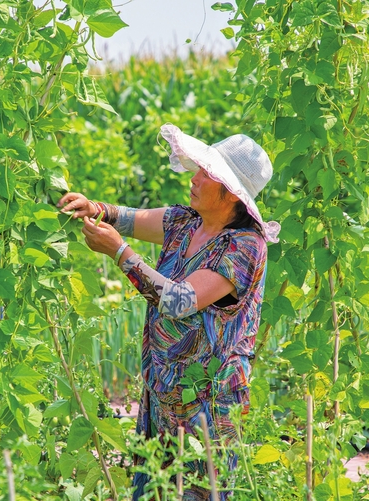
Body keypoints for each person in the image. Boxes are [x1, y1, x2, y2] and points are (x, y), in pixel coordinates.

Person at [57, 123, 280, 500]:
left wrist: (119, 253)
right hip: (163, 395)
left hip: (206, 403)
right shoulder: (184, 222)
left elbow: (179, 302)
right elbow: (127, 217)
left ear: (230, 194)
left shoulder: (244, 246)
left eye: (206, 174)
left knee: (196, 491)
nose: (194, 177)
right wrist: (95, 208)